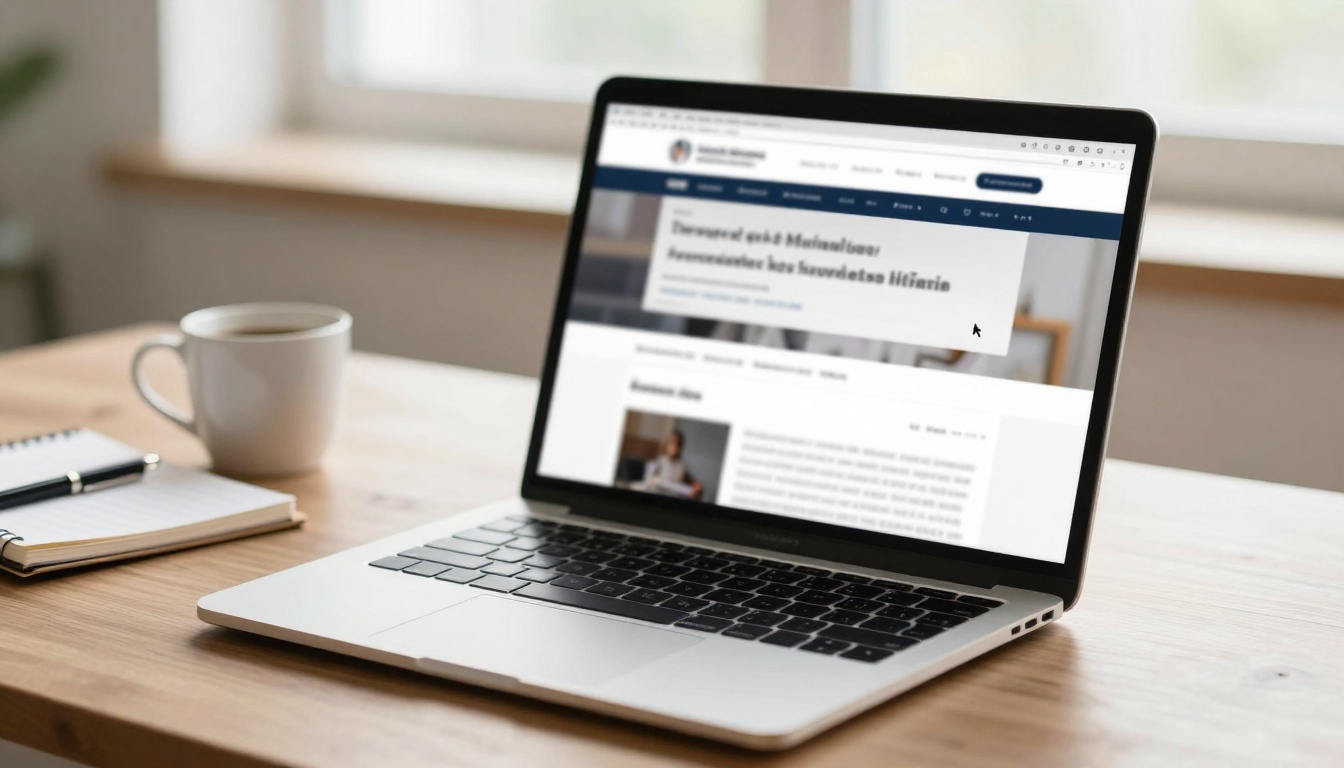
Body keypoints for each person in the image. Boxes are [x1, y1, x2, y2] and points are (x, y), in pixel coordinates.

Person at [645, 429, 703, 500]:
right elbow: (649, 482)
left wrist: (695, 487)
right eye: (672, 442)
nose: (674, 446)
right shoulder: (660, 461)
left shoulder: (682, 465)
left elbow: (689, 481)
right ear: (667, 444)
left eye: (677, 444)